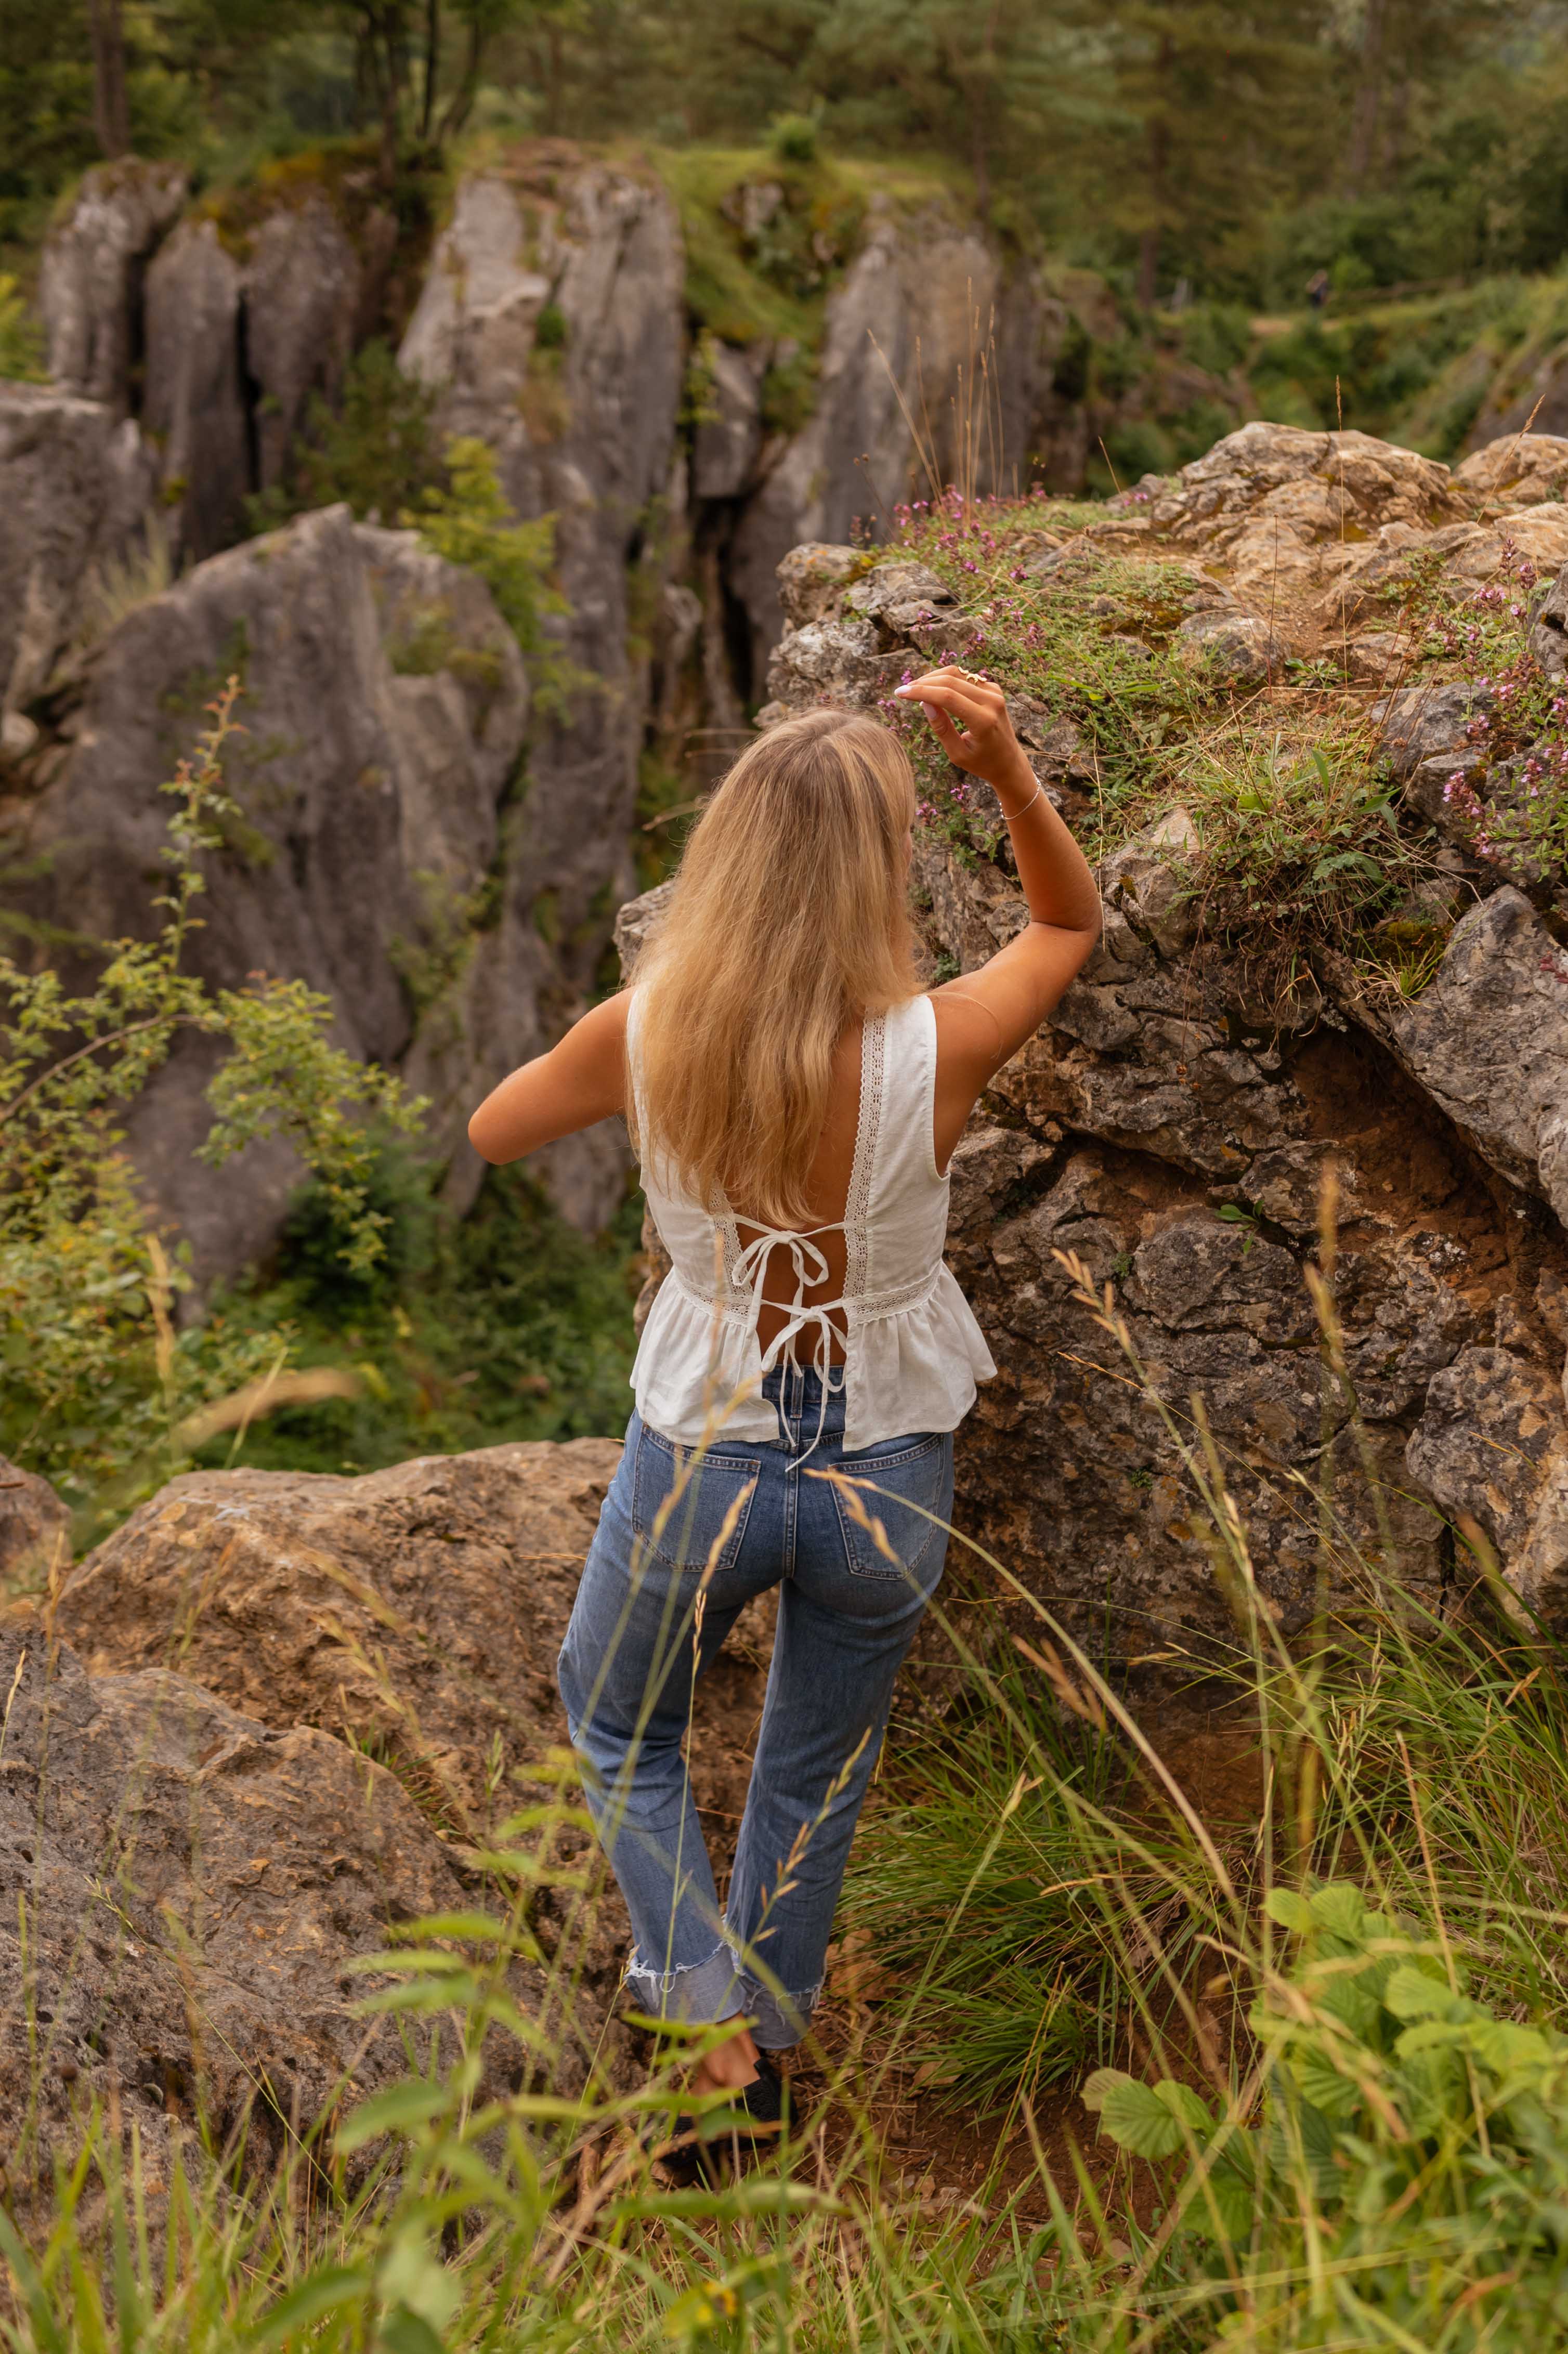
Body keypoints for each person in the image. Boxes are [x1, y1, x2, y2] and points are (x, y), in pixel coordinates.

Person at [467, 669, 1101, 2169]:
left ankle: (702, 2038)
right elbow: (1070, 924)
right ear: (878, 876)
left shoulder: (646, 1032)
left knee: (619, 1721)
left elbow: (493, 1131)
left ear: (729, 862)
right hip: (885, 1461)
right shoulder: (935, 1046)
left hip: (709, 1446)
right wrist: (1007, 770)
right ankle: (772, 2045)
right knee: (814, 1771)